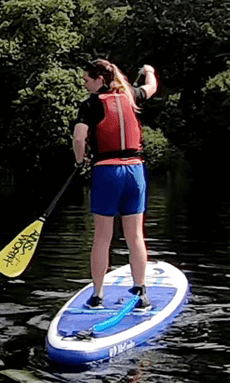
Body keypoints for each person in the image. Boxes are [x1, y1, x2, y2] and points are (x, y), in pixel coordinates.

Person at [72, 59, 158, 310]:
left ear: (100, 80)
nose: (85, 83)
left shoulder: (90, 105)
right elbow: (151, 86)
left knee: (102, 237)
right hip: (135, 172)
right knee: (135, 236)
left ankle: (98, 296)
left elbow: (79, 137)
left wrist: (80, 161)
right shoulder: (132, 95)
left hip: (107, 173)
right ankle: (141, 292)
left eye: (87, 79)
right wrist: (149, 71)